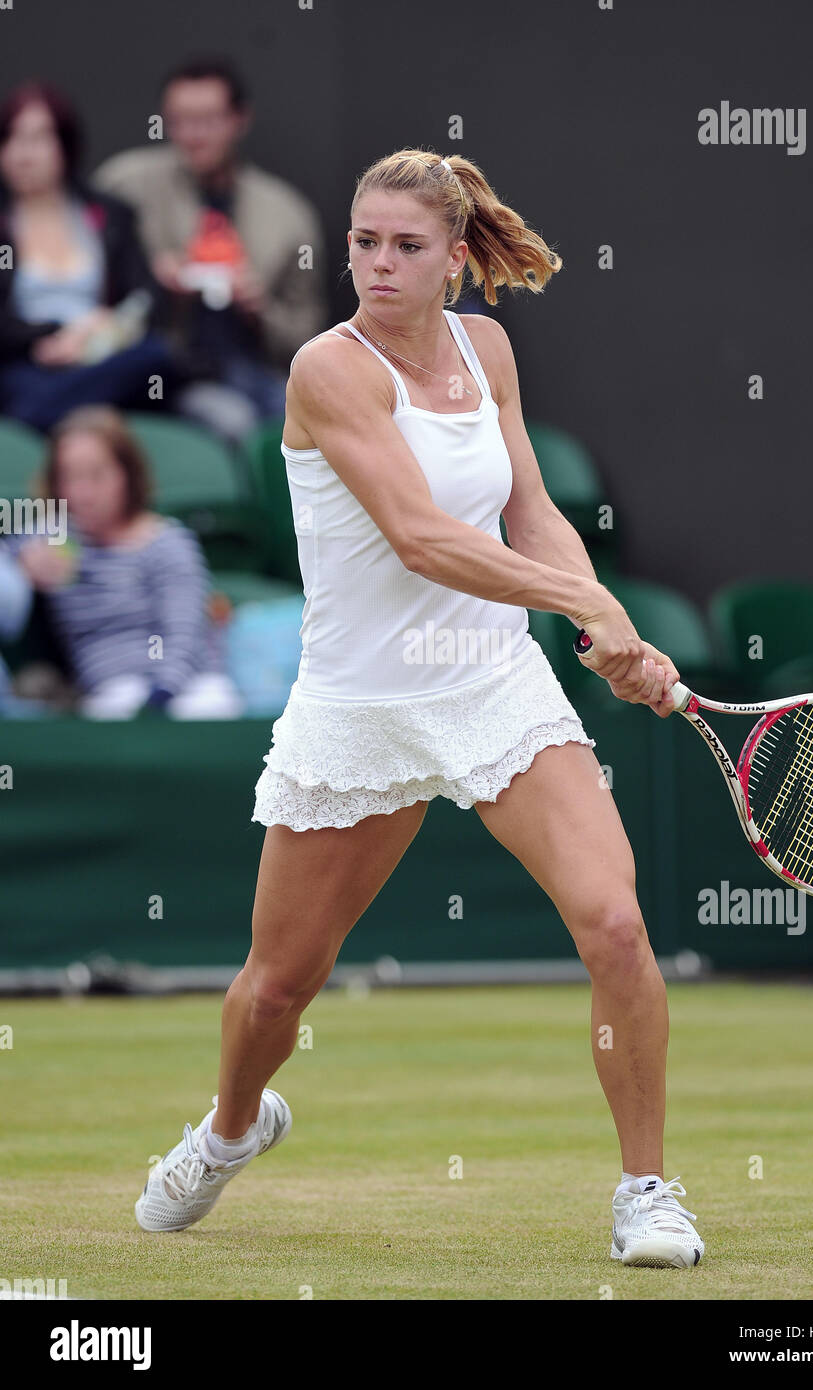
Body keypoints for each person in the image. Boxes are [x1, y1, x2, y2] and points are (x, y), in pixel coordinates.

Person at [135, 148, 705, 1270]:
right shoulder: (326, 368)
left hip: (494, 687)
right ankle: (231, 1130)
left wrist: (610, 626)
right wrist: (584, 604)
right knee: (276, 988)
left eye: (405, 246)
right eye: (363, 242)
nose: (378, 264)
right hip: (362, 705)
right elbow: (422, 538)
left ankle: (645, 1191)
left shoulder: (488, 350)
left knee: (616, 925)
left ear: (454, 258)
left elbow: (528, 511)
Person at [92, 56, 327, 445]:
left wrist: (260, 310)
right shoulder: (126, 186)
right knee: (236, 422)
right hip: (167, 373)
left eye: (208, 120)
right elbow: (84, 285)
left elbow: (310, 336)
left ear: (240, 119)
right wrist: (149, 281)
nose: (193, 135)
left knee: (315, 420)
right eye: (179, 120)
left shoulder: (286, 214)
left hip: (258, 368)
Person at [1, 406, 243, 719]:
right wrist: (22, 564)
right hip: (110, 692)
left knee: (209, 706)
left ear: (128, 474)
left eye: (96, 475)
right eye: (68, 477)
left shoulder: (168, 542)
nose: (82, 493)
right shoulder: (55, 537)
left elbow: (184, 633)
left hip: (191, 686)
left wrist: (161, 695)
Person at [0, 82, 175, 431]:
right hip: (28, 363)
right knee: (27, 395)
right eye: (11, 138)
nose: (23, 154)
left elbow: (146, 296)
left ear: (65, 145)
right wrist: (51, 337)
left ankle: (54, 417)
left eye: (38, 138)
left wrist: (105, 327)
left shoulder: (108, 215)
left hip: (103, 354)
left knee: (156, 356)